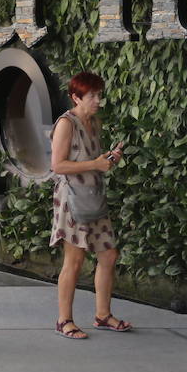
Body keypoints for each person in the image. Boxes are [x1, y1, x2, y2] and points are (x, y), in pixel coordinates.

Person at [49, 71, 131, 338]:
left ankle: (103, 314)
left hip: (93, 195)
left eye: (99, 94)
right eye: (92, 96)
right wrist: (96, 163)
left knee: (108, 253)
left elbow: (91, 158)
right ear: (76, 97)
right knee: (74, 260)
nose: (98, 100)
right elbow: (58, 165)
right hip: (72, 199)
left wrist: (108, 158)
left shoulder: (94, 122)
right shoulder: (66, 123)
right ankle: (64, 320)